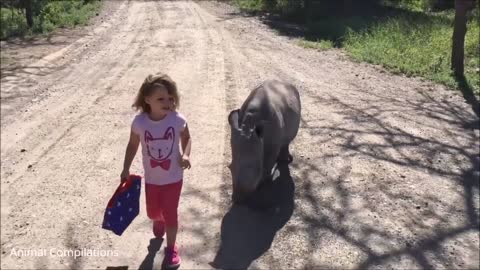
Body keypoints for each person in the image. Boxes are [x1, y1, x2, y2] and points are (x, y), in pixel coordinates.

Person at [120, 73, 191, 268]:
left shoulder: (177, 120)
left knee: (171, 213)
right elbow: (132, 145)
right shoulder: (140, 123)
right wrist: (125, 167)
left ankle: (171, 250)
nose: (167, 102)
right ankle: (158, 219)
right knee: (153, 212)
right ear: (147, 100)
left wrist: (185, 155)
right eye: (161, 98)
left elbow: (187, 138)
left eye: (170, 98)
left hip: (174, 177)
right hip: (152, 179)